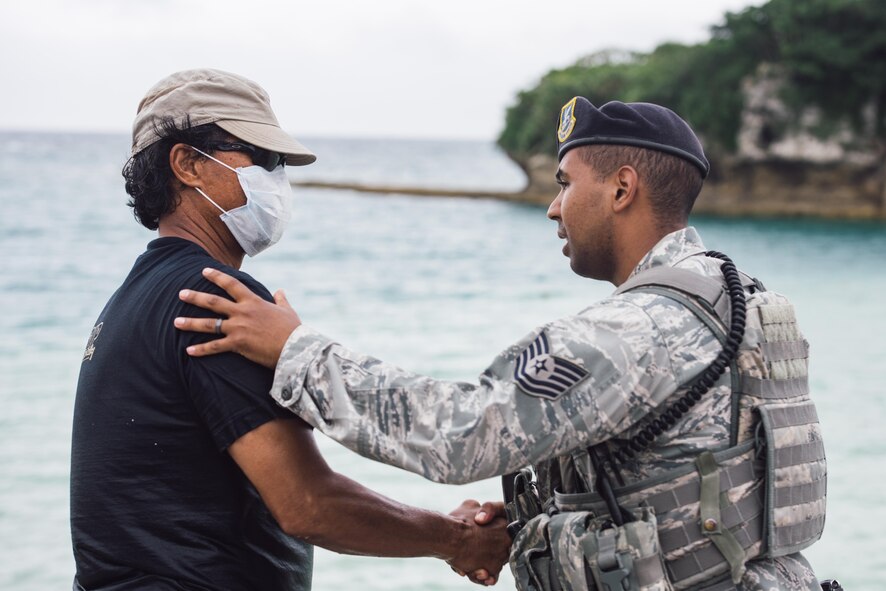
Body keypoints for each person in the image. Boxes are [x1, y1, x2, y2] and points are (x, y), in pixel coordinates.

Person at [174, 96, 827, 590]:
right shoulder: (746, 301)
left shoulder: (633, 330)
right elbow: (692, 466)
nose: (553, 206)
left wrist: (293, 349)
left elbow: (460, 432)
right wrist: (541, 511)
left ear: (622, 188)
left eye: (566, 182)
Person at [70, 68, 510, 591]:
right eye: (265, 159)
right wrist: (458, 540)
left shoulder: (132, 297)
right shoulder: (216, 298)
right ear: (188, 163)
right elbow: (307, 504)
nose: (278, 179)